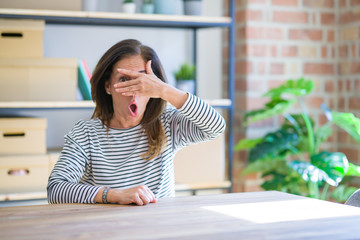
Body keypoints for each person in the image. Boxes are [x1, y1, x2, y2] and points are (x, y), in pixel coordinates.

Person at [47, 39, 226, 206]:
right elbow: (56, 189)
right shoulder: (86, 133)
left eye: (143, 81)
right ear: (108, 86)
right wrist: (114, 195)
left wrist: (165, 90)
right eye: (124, 80)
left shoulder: (167, 123)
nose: (134, 91)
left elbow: (216, 127)